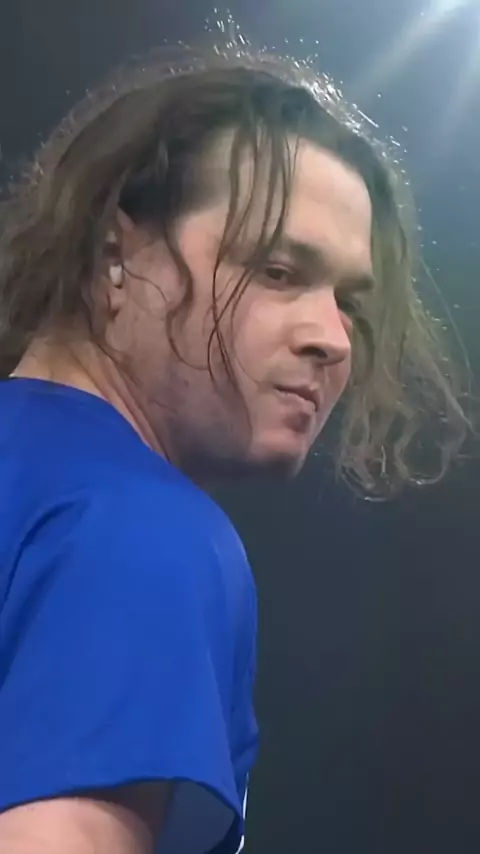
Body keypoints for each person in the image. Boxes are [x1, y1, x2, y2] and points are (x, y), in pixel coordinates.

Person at [0, 43, 469, 854]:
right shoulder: (138, 528)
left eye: (348, 302)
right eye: (279, 271)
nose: (333, 338)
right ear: (116, 255)